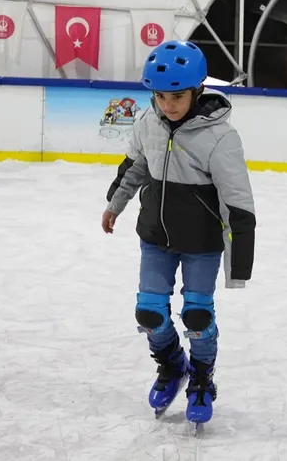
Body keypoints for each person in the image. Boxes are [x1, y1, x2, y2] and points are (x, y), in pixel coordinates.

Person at [101, 40, 256, 429]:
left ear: (197, 90)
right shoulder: (146, 122)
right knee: (149, 312)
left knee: (198, 315)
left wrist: (238, 264)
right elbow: (134, 166)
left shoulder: (220, 138)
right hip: (155, 236)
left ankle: (202, 377)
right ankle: (172, 365)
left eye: (177, 96)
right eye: (159, 96)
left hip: (201, 244)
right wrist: (114, 204)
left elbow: (237, 201)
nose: (167, 104)